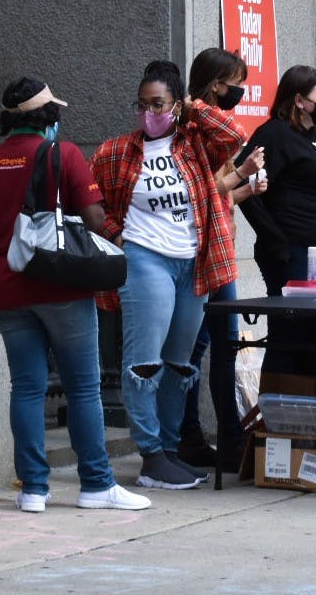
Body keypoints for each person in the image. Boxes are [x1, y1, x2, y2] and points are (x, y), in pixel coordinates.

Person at [0, 77, 151, 513]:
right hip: (61, 283)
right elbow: (95, 218)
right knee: (84, 388)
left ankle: (33, 489)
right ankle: (97, 485)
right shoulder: (62, 154)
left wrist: (13, 233)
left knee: (25, 388)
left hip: (9, 286)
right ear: (49, 117)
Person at [90, 60, 249, 489]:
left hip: (193, 262)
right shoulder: (114, 152)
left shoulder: (195, 144)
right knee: (144, 362)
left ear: (175, 105)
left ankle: (171, 448)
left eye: (157, 104)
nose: (148, 113)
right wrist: (116, 237)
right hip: (145, 259)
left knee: (180, 363)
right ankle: (151, 454)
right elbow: (92, 205)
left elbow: (237, 138)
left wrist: (192, 109)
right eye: (141, 104)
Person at [176, 47, 267, 470]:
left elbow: (221, 193)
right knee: (197, 349)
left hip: (223, 246)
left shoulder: (203, 124)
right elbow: (206, 188)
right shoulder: (193, 127)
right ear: (216, 85)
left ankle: (225, 439)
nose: (241, 92)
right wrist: (242, 172)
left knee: (215, 345)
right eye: (236, 84)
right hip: (204, 250)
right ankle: (194, 435)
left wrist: (246, 188)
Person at [235, 65, 316, 376]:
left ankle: (305, 411)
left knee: (310, 341)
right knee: (289, 340)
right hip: (296, 253)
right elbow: (243, 186)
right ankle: (275, 417)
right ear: (300, 100)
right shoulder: (274, 134)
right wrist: (275, 239)